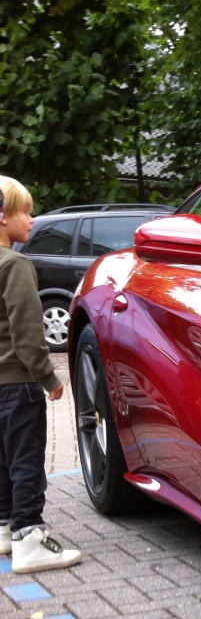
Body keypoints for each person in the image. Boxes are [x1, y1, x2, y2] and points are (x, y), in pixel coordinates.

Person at [0, 176, 82, 572]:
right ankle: (30, 537)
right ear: (2, 216)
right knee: (26, 460)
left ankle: (5, 528)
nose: (32, 219)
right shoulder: (14, 265)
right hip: (18, 385)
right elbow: (28, 332)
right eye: (25, 211)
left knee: (2, 460)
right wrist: (48, 378)